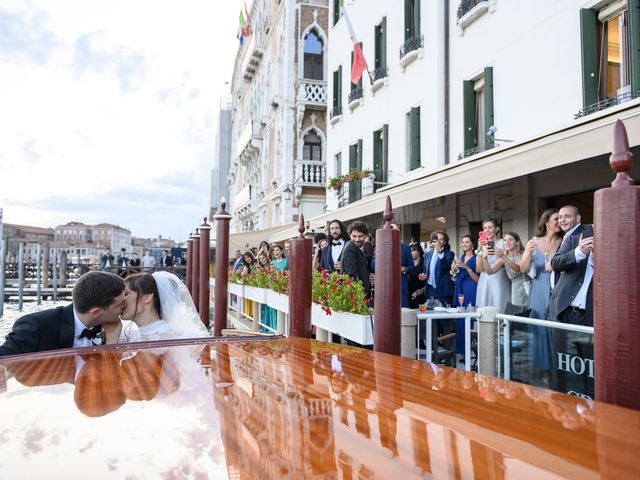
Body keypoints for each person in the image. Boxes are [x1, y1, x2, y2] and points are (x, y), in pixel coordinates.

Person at [0, 272, 126, 356]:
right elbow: (3, 361)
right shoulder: (36, 326)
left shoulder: (108, 327)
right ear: (96, 312)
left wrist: (111, 343)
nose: (124, 306)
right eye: (120, 305)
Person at [519, 209, 562, 384]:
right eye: (556, 218)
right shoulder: (533, 242)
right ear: (546, 222)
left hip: (558, 288)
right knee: (540, 330)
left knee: (557, 328)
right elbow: (522, 269)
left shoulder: (564, 241)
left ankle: (559, 367)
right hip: (538, 290)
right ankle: (544, 369)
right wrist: (528, 252)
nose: (559, 221)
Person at [113, 272, 209, 343]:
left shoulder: (175, 340)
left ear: (147, 297)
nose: (121, 300)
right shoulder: (127, 335)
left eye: (126, 294)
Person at [548, 229, 594, 327]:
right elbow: (555, 263)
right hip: (564, 312)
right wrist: (579, 252)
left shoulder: (612, 249)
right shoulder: (573, 241)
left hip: (590, 317)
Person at [452, 235, 479, 357]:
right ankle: (462, 352)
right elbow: (453, 274)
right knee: (460, 318)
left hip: (470, 288)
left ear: (472, 245)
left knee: (468, 316)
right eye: (463, 242)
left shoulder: (476, 258)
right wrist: (454, 269)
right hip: (460, 288)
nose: (464, 244)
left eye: (467, 242)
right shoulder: (461, 257)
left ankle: (471, 351)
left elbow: (478, 279)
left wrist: (466, 267)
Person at [475, 218, 511, 311]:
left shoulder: (503, 243)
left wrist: (493, 248)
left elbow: (502, 262)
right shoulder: (483, 246)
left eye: (490, 227)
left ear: (497, 229)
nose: (487, 230)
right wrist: (480, 249)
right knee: (484, 309)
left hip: (498, 279)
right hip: (484, 280)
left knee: (498, 305)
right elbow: (479, 269)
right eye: (485, 228)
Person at [418, 230, 454, 307]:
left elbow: (445, 266)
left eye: (441, 239)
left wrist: (439, 251)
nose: (438, 241)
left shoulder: (449, 253)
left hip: (443, 289)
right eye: (436, 239)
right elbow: (425, 271)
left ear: (445, 242)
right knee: (430, 316)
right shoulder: (427, 255)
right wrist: (423, 275)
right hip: (430, 289)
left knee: (443, 317)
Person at [551, 205, 583, 288]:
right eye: (560, 217)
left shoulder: (580, 236)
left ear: (577, 218)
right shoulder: (567, 235)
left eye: (567, 216)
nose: (562, 220)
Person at [497, 232, 528, 307]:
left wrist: (503, 257)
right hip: (515, 289)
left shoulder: (523, 254)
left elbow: (518, 269)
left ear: (517, 242)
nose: (507, 242)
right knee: (517, 312)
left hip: (527, 286)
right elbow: (490, 271)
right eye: (505, 240)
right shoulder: (504, 257)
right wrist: (483, 256)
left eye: (510, 240)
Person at [341, 222, 371, 297]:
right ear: (349, 235)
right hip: (356, 296)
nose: (357, 240)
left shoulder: (354, 247)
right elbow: (351, 275)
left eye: (360, 236)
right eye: (354, 236)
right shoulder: (351, 248)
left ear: (366, 236)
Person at [408, 243, 426, 309]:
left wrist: (422, 290)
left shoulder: (425, 263)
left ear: (419, 251)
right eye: (409, 251)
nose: (411, 253)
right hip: (409, 295)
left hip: (421, 295)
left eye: (413, 251)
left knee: (421, 316)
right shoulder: (408, 263)